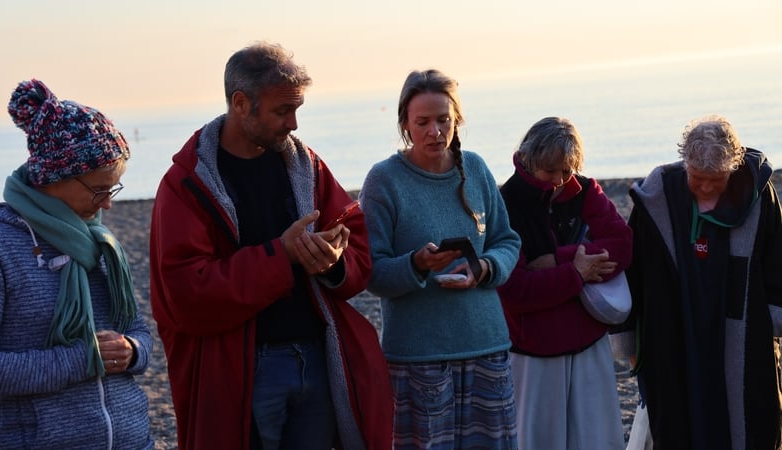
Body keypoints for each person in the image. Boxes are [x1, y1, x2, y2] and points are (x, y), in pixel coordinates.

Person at [149, 41, 392, 450]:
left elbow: (357, 244)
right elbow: (186, 294)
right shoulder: (186, 185)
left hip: (316, 358)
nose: (294, 124)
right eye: (283, 111)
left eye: (297, 110)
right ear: (241, 103)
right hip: (241, 369)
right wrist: (283, 256)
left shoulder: (305, 165)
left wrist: (332, 262)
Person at [0, 79, 153, 448]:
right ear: (53, 177)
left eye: (114, 189)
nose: (107, 204)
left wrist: (132, 350)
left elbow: (138, 329)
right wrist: (82, 359)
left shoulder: (98, 240)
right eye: (99, 189)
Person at [359, 68, 521, 449]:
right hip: (418, 359)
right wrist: (416, 264)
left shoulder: (476, 169)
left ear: (456, 120)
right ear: (405, 125)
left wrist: (483, 267)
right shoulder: (384, 180)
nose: (435, 131)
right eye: (423, 122)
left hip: (487, 348)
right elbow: (371, 271)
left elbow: (507, 240)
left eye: (443, 120)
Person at [613, 114, 782, 449]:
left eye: (715, 180)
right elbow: (634, 269)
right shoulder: (658, 196)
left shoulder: (758, 196)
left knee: (751, 422)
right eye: (698, 178)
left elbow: (775, 263)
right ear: (685, 164)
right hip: (672, 333)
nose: (705, 186)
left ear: (733, 169)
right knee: (677, 422)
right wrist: (628, 338)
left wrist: (775, 318)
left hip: (743, 334)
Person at [497, 116, 633, 450]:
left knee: (600, 443)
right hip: (534, 353)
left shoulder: (585, 189)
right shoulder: (505, 203)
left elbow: (623, 244)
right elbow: (516, 291)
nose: (559, 181)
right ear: (529, 161)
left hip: (589, 343)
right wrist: (576, 274)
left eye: (567, 170)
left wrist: (561, 260)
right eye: (550, 171)